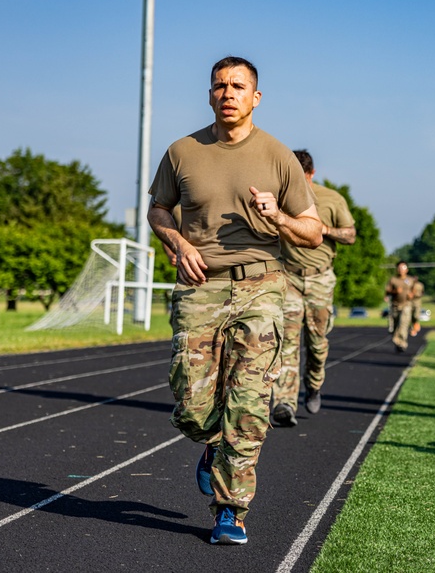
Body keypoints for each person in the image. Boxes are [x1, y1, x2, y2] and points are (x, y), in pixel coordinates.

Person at [147, 56, 323, 545]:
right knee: (192, 407)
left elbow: (312, 230)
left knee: (248, 403)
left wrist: (280, 218)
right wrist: (178, 244)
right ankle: (211, 446)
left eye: (239, 86)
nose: (229, 93)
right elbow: (158, 208)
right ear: (209, 95)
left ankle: (231, 510)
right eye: (220, 86)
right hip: (199, 286)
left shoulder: (279, 156)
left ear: (255, 97)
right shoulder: (182, 151)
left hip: (261, 285)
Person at [272, 150, 356, 427]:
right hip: (290, 278)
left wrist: (324, 230)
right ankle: (284, 402)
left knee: (318, 343)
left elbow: (350, 235)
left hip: (320, 279)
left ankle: (315, 384)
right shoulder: (280, 198)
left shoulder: (332, 198)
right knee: (287, 342)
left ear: (311, 174)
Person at [385, 261, 416, 353]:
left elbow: (415, 290)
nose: (401, 270)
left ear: (407, 269)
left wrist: (412, 294)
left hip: (406, 305)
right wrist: (395, 291)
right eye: (399, 268)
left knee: (403, 324)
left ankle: (402, 343)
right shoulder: (393, 280)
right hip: (395, 306)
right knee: (394, 326)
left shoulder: (410, 280)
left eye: (403, 268)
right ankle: (397, 342)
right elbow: (387, 291)